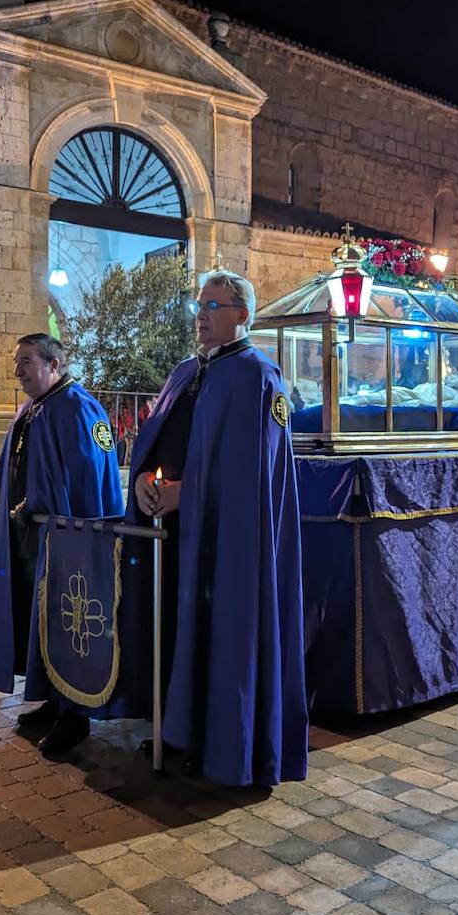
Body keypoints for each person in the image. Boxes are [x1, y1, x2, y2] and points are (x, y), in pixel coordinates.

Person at [127, 270, 307, 787]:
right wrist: (142, 479)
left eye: (214, 305)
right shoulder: (186, 372)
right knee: (172, 628)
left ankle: (215, 741)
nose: (202, 314)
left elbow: (255, 473)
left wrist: (190, 493)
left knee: (219, 633)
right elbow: (155, 439)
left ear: (243, 315)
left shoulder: (259, 377)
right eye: (199, 305)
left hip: (227, 541)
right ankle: (174, 728)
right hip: (174, 533)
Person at [0, 335, 124, 753]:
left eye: (26, 362)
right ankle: (52, 698)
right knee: (38, 620)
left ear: (54, 364)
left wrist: (61, 524)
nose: (17, 371)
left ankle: (75, 715)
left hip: (66, 544)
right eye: (16, 362)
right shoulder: (34, 407)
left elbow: (90, 480)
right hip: (31, 539)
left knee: (67, 620)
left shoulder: (79, 408)